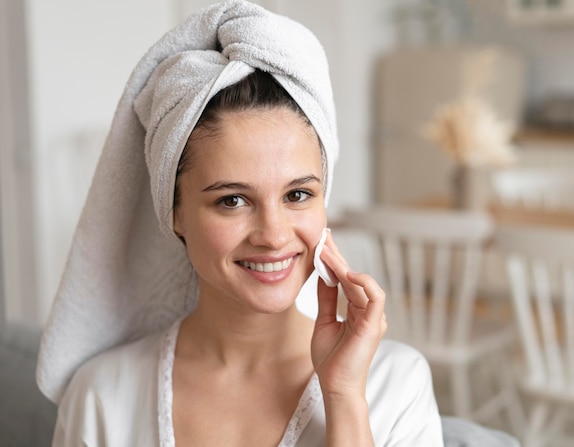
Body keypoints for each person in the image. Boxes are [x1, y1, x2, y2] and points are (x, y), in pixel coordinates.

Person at [36, 1, 443, 445]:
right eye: (232, 200)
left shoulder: (393, 385)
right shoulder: (104, 398)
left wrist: (344, 395)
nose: (274, 235)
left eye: (298, 195)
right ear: (174, 212)